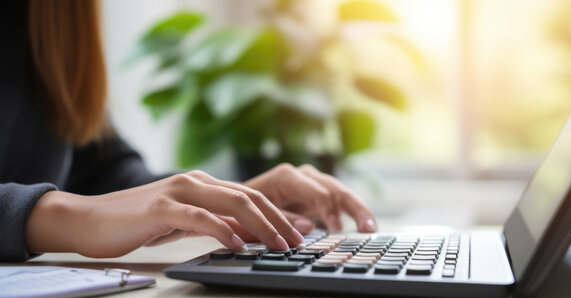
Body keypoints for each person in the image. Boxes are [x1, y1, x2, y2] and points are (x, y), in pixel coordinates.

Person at [0, 0, 376, 262]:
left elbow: (102, 172)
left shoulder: (49, 16)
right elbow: (93, 207)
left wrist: (221, 198)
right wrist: (77, 218)